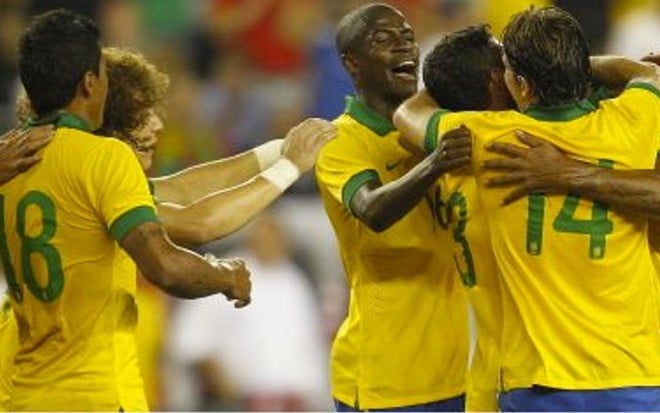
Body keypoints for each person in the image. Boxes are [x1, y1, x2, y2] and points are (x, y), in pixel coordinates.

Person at [1, 43, 336, 410]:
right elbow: (198, 223)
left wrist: (281, 149)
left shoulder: (66, 172)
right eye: (146, 113)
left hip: (26, 379)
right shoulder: (101, 179)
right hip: (78, 389)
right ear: (112, 118)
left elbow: (183, 187)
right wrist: (291, 168)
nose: (159, 124)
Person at [394, 6, 660, 411]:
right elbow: (648, 75)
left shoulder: (485, 139)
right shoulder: (633, 119)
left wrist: (446, 76)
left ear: (519, 83)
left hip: (537, 382)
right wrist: (564, 63)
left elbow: (407, 115)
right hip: (634, 374)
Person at [0, 10, 252, 411]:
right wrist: (226, 277)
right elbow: (165, 264)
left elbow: (181, 192)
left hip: (20, 396)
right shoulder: (105, 157)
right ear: (89, 83)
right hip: (95, 394)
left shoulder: (8, 162)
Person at [315, 3, 472, 411]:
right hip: (385, 379)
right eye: (384, 40)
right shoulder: (340, 141)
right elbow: (371, 210)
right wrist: (435, 163)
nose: (404, 48)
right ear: (352, 63)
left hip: (458, 371)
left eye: (407, 37)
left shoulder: (436, 125)